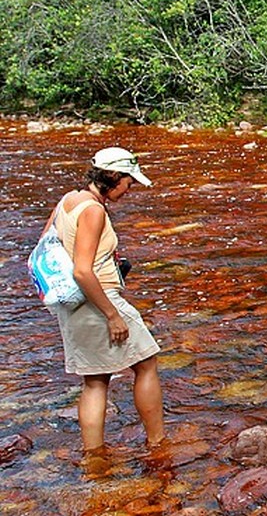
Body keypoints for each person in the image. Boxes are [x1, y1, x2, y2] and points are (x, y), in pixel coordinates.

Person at [39, 147, 164, 452]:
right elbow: (83, 271)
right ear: (113, 177)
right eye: (128, 181)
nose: (130, 188)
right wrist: (112, 314)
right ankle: (158, 444)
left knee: (95, 381)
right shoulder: (93, 210)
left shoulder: (69, 199)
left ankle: (94, 454)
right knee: (146, 362)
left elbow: (47, 245)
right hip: (98, 298)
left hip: (71, 305)